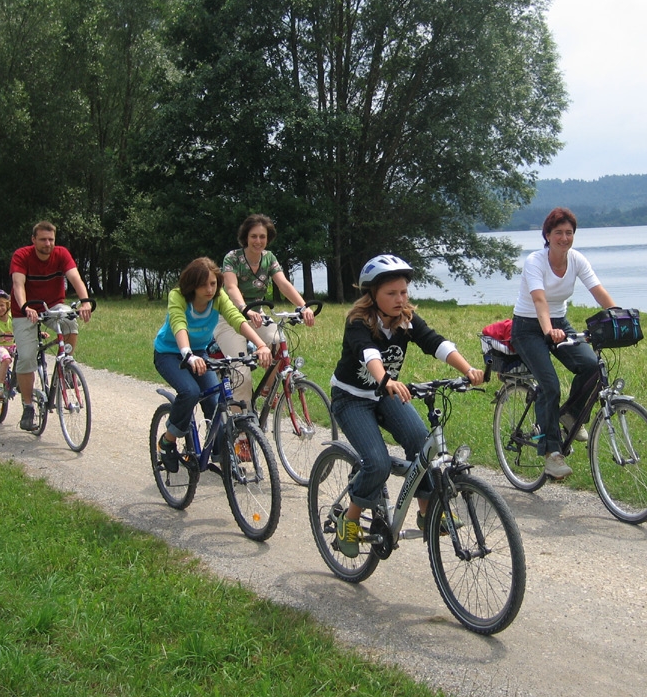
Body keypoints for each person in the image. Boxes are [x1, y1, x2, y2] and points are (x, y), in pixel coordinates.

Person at [329, 254, 484, 557]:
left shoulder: (407, 319)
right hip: (351, 398)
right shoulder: (358, 321)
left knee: (423, 445)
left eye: (404, 292)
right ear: (372, 295)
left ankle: (427, 511)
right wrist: (385, 378)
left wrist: (467, 370)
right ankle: (348, 521)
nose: (400, 299)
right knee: (377, 463)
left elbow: (435, 342)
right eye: (391, 293)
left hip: (387, 394)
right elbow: (368, 352)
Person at [510, 207, 616, 480]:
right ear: (547, 235)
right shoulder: (535, 261)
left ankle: (569, 417)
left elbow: (598, 290)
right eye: (558, 232)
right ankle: (551, 453)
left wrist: (618, 317)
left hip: (559, 322)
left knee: (592, 367)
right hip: (528, 327)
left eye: (569, 233)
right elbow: (539, 300)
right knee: (550, 385)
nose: (565, 238)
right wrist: (548, 330)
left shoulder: (577, 260)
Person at [154, 257, 273, 472]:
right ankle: (167, 442)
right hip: (170, 353)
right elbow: (179, 324)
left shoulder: (218, 298)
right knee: (190, 392)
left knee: (215, 400)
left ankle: (222, 456)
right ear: (192, 285)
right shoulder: (178, 296)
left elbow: (237, 319)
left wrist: (261, 345)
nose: (209, 289)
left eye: (213, 283)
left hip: (199, 352)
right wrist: (187, 355)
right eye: (203, 285)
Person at [218, 213, 314, 410]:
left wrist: (303, 306)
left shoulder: (269, 258)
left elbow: (283, 284)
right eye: (254, 236)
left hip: (257, 314)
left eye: (262, 237)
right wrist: (243, 308)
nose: (258, 241)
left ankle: (268, 389)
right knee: (241, 375)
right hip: (230, 316)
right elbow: (231, 288)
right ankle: (241, 427)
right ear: (246, 237)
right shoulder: (233, 258)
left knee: (280, 342)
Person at [10, 221, 93, 432]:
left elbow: (75, 277)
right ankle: (28, 406)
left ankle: (65, 365)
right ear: (33, 240)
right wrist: (25, 306)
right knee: (27, 356)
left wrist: (85, 301)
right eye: (43, 239)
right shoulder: (22, 256)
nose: (48, 244)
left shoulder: (61, 254)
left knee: (70, 322)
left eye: (51, 240)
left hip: (52, 305)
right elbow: (18, 285)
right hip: (25, 310)